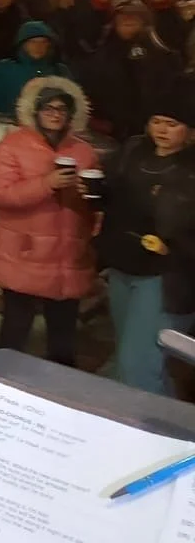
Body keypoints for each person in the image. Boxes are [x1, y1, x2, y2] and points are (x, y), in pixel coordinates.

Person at [0, 78, 99, 367]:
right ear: (35, 110)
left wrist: (93, 200)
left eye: (62, 108)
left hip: (67, 257)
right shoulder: (12, 146)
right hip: (25, 253)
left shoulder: (84, 151)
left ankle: (56, 398)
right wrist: (47, 183)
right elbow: (2, 194)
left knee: (63, 340)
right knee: (14, 334)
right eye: (48, 107)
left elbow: (94, 201)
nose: (55, 113)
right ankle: (1, 389)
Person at [98, 81, 195, 395]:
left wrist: (174, 247)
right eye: (156, 121)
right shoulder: (132, 150)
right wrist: (94, 194)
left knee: (138, 365)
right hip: (125, 265)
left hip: (169, 277)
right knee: (129, 360)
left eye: (172, 124)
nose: (162, 130)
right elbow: (111, 192)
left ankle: (153, 436)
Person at [83, 1, 182, 141]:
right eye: (123, 16)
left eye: (133, 16)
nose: (128, 19)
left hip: (154, 130)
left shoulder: (165, 57)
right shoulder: (100, 57)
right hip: (110, 131)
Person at [0, 20, 70, 119]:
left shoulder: (59, 70)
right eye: (32, 42)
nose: (38, 46)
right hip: (8, 126)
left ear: (49, 45)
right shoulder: (5, 68)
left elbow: (70, 105)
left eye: (43, 42)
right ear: (23, 44)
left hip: (47, 129)